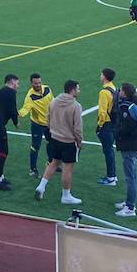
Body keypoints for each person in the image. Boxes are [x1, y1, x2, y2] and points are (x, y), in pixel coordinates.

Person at [37, 79, 82, 207]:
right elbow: (77, 128)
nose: (79, 91)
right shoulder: (75, 106)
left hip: (55, 139)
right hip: (69, 142)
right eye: (78, 89)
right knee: (67, 168)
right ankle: (66, 195)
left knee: (53, 163)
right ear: (72, 90)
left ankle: (41, 187)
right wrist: (79, 141)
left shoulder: (53, 102)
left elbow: (48, 119)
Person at [114, 82, 137, 219]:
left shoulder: (128, 107)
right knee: (131, 175)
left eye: (120, 90)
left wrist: (117, 133)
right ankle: (128, 202)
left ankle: (130, 207)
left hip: (130, 145)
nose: (119, 92)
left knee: (130, 177)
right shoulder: (135, 105)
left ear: (125, 93)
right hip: (135, 144)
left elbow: (129, 126)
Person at [18, 73, 53, 178]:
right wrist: (17, 114)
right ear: (31, 83)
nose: (38, 85)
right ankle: (33, 169)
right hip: (37, 125)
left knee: (51, 143)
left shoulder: (47, 89)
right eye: (35, 83)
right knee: (35, 146)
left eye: (39, 82)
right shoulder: (30, 97)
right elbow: (25, 109)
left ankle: (51, 163)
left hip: (50, 123)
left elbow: (53, 101)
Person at [95, 67, 118, 187]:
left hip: (106, 124)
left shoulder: (104, 92)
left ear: (104, 77)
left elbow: (102, 112)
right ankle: (112, 175)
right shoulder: (114, 88)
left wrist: (99, 126)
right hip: (114, 123)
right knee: (110, 150)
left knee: (108, 150)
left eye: (101, 74)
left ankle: (111, 178)